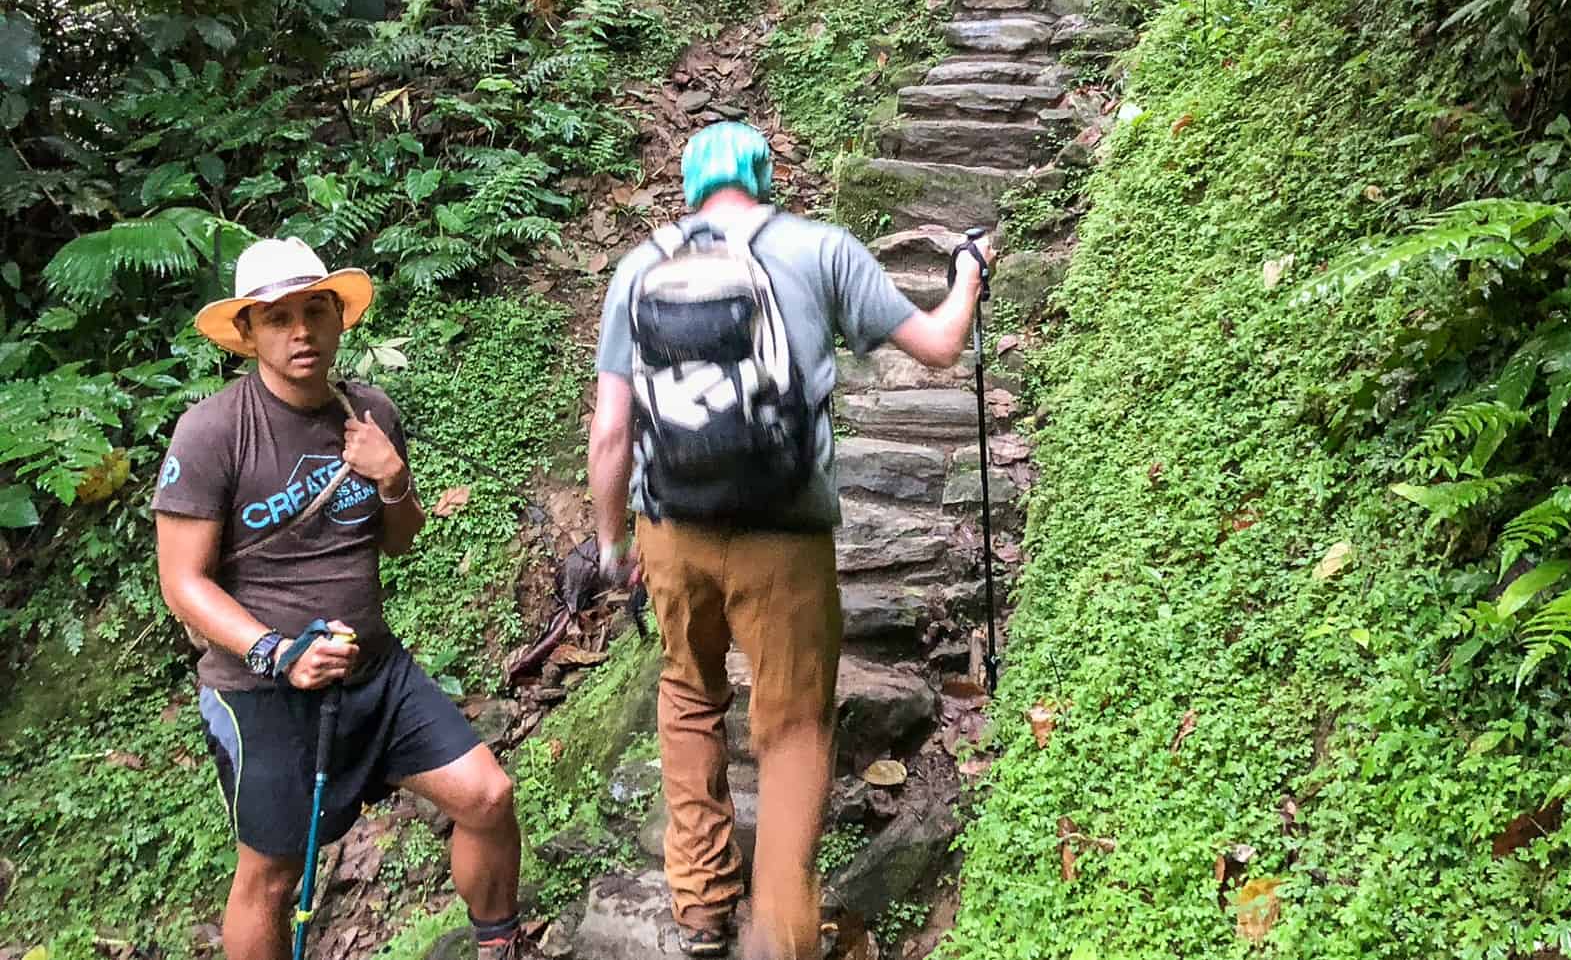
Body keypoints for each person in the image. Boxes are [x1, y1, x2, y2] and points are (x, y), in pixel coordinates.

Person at [590, 122, 993, 959]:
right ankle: (782, 937)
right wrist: (968, 276)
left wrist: (610, 546)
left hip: (670, 530)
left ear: (690, 184)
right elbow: (942, 347)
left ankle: (699, 908)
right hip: (785, 535)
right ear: (766, 176)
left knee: (688, 695)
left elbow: (609, 434)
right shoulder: (822, 249)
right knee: (794, 728)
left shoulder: (639, 267)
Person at [154, 237, 524, 960]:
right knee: (272, 874)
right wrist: (274, 650)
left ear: (338, 318)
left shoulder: (371, 410)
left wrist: (393, 482)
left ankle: (498, 942)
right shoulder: (212, 433)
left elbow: (399, 540)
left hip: (374, 671)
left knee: (488, 797)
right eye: (278, 317)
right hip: (260, 691)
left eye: (315, 310)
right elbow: (182, 582)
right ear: (246, 333)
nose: (301, 331)